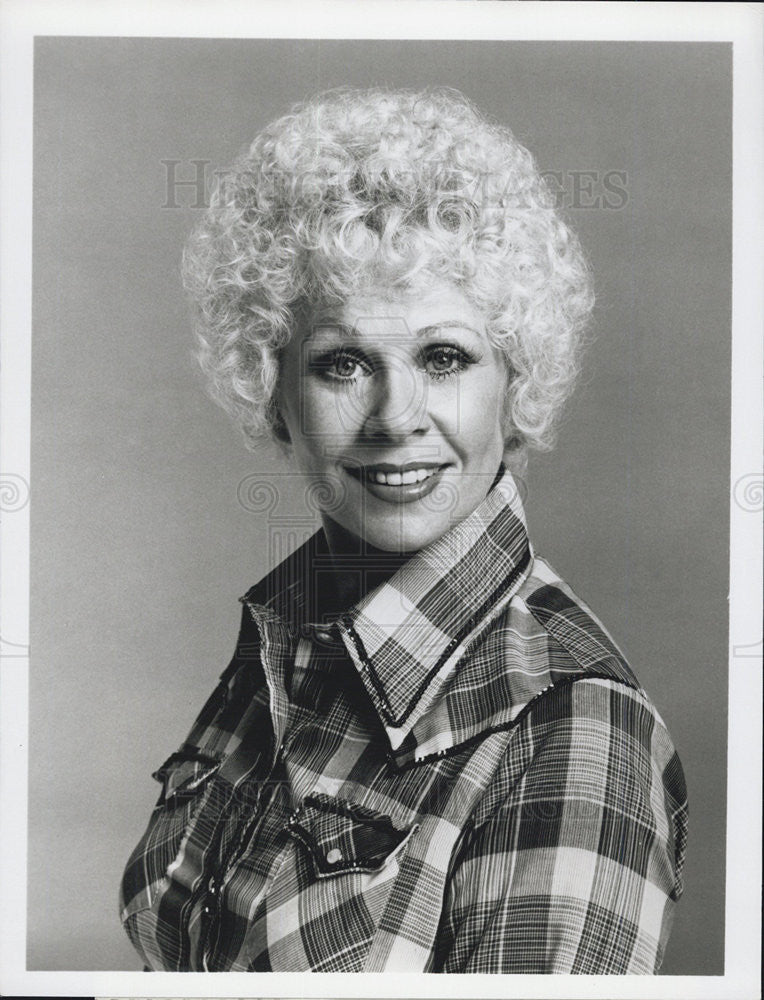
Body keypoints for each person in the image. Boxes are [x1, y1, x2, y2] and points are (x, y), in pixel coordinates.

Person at [119, 87, 687, 973]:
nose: (397, 417)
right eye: (344, 363)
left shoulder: (572, 730)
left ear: (517, 376)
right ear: (274, 390)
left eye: (444, 357)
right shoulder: (285, 639)